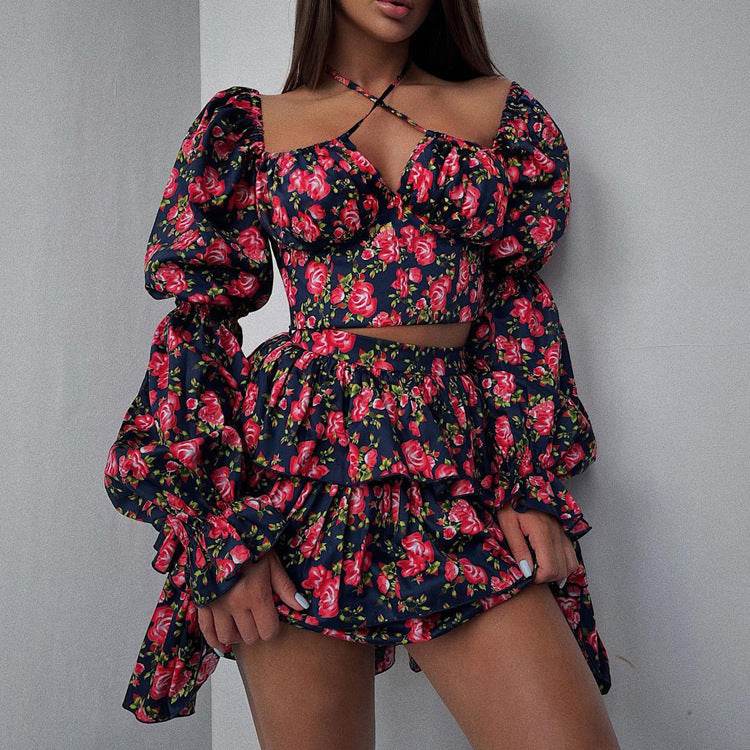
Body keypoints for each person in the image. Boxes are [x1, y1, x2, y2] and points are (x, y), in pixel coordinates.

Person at [103, 0, 620, 747]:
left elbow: (514, 308)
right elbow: (199, 326)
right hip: (293, 470)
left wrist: (527, 482)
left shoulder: (501, 113)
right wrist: (216, 533)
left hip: (449, 461)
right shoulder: (249, 125)